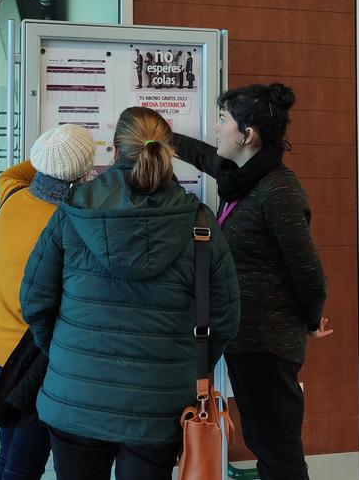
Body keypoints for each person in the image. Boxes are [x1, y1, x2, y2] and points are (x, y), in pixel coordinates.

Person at [20, 107, 240, 480]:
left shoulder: (72, 211)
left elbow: (35, 301)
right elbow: (225, 319)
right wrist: (186, 364)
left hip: (77, 397)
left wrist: (66, 353)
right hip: (160, 406)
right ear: (167, 154)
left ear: (115, 153)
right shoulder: (200, 224)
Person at [171, 82, 329, 480]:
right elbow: (205, 156)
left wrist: (312, 320)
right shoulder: (242, 176)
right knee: (263, 440)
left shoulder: (278, 189)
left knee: (277, 450)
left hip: (268, 342)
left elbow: (307, 270)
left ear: (248, 135)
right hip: (245, 335)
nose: (216, 128)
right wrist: (162, 136)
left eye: (223, 120)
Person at [0, 124, 96, 480]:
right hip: (32, 360)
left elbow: (15, 171)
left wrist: (52, 152)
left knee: (9, 448)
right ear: (85, 172)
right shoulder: (71, 223)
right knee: (25, 461)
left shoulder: (11, 195)